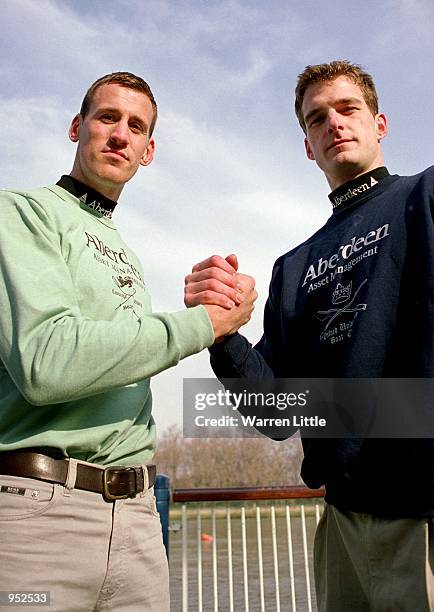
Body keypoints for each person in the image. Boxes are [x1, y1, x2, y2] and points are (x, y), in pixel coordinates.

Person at [0, 71, 256, 611]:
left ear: (149, 151)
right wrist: (205, 323)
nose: (120, 134)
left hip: (139, 520)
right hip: (39, 521)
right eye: (107, 117)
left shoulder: (129, 255)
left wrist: (207, 308)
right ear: (77, 127)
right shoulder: (22, 213)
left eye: (136, 126)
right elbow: (47, 361)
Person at [184, 61, 434, 611]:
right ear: (307, 146)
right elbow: (277, 415)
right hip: (341, 525)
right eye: (316, 118)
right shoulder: (293, 267)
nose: (334, 124)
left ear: (381, 123)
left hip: (424, 517)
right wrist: (221, 332)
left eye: (348, 109)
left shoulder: (424, 197)